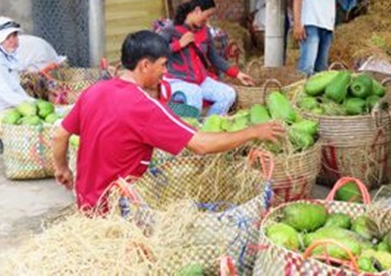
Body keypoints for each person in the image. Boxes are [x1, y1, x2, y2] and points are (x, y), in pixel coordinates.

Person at [53, 30, 284, 210]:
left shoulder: (95, 90)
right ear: (145, 65)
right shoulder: (144, 108)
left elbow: (60, 134)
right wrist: (253, 132)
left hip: (85, 203)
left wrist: (62, 169)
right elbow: (201, 145)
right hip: (116, 210)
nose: (166, 71)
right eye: (163, 65)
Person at [158, 0, 254, 116]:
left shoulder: (205, 31)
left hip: (200, 80)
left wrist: (238, 74)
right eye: (207, 16)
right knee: (194, 93)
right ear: (197, 10)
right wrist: (179, 44)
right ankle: (192, 130)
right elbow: (155, 51)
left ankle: (207, 126)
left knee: (229, 94)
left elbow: (214, 57)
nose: (207, 20)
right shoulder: (170, 29)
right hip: (176, 80)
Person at [0, 17, 34, 153]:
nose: (13, 40)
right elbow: (5, 93)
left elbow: (16, 89)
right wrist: (32, 103)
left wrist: (33, 103)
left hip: (11, 109)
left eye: (15, 35)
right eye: (7, 37)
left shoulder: (7, 58)